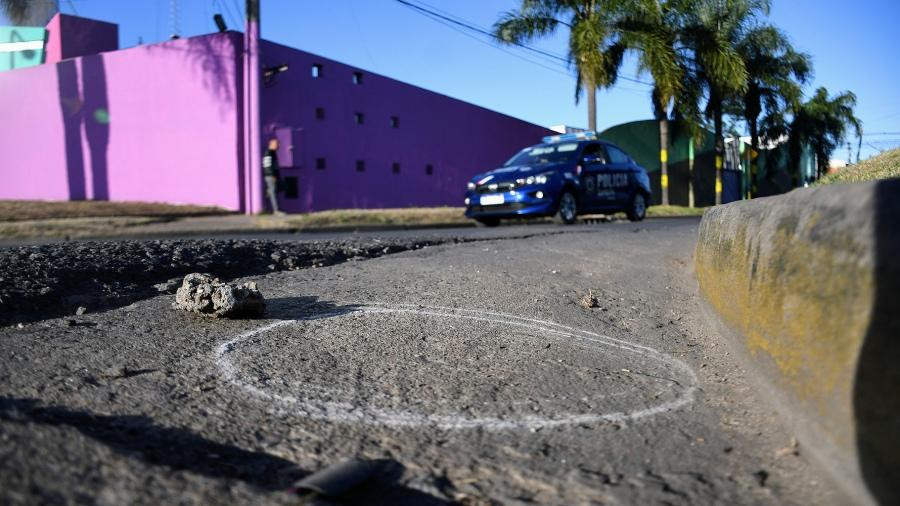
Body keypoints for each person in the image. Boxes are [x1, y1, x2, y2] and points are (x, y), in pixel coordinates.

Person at [262, 138, 284, 215]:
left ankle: (266, 208)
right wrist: (272, 175)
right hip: (270, 176)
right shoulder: (269, 153)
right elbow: (267, 165)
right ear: (272, 144)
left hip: (272, 176)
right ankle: (276, 210)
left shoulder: (272, 153)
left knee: (271, 192)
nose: (278, 145)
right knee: (272, 192)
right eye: (277, 144)